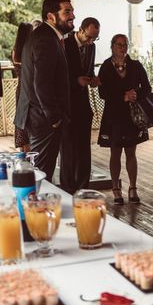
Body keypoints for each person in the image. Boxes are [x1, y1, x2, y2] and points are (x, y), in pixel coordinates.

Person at [15, 0, 74, 182]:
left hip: (37, 116)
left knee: (40, 171)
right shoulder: (45, 39)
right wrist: (54, 117)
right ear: (51, 16)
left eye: (72, 11)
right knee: (41, 174)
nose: (72, 16)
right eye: (67, 12)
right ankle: (35, 209)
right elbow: (41, 83)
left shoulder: (43, 36)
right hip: (42, 119)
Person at [98, 34, 151, 204]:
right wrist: (123, 96)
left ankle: (133, 187)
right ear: (112, 46)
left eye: (125, 44)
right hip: (113, 115)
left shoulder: (135, 65)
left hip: (131, 116)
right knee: (115, 152)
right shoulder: (106, 66)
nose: (122, 47)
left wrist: (135, 95)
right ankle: (115, 188)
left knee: (131, 152)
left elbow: (147, 88)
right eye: (119, 44)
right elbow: (102, 92)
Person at [62, 17, 101, 192]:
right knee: (69, 150)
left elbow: (89, 69)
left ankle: (84, 187)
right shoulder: (65, 43)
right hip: (67, 103)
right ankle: (68, 188)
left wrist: (92, 79)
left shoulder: (91, 46)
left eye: (95, 38)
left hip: (83, 105)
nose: (91, 41)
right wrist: (76, 81)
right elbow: (58, 74)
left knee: (84, 149)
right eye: (89, 37)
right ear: (81, 30)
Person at [12, 22, 33, 152]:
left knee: (21, 118)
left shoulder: (15, 51)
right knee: (29, 118)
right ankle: (30, 148)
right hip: (29, 88)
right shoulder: (29, 50)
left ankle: (23, 149)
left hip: (20, 87)